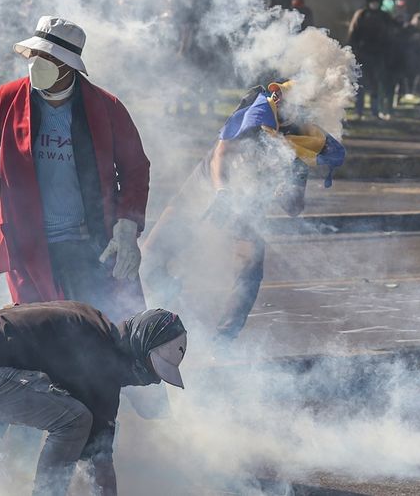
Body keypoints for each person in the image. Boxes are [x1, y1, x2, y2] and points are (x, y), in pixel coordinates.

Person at [0, 16, 151, 321]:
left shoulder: (106, 107)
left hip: (90, 244)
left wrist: (127, 227)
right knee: (43, 332)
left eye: (47, 58)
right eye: (35, 55)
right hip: (30, 245)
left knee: (103, 327)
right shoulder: (8, 99)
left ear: (69, 66)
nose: (36, 63)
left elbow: (135, 169)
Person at [140, 81, 345, 341]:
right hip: (203, 189)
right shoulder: (253, 112)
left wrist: (286, 193)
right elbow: (220, 156)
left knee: (249, 268)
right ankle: (174, 301)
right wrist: (221, 192)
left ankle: (224, 338)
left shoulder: (298, 144)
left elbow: (295, 207)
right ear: (276, 95)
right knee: (149, 258)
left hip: (248, 206)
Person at [0, 302, 186, 496]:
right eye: (149, 372)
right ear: (138, 349)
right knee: (74, 421)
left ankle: (12, 484)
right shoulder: (98, 359)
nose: (148, 381)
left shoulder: (96, 329)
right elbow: (100, 460)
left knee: (55, 410)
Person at [347, 0, 396, 120]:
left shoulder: (385, 16)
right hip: (362, 54)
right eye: (372, 1)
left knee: (376, 84)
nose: (374, 3)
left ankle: (375, 111)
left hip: (378, 55)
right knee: (360, 84)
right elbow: (353, 34)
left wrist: (388, 53)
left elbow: (390, 36)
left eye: (377, 1)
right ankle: (359, 111)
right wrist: (354, 51)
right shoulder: (361, 14)